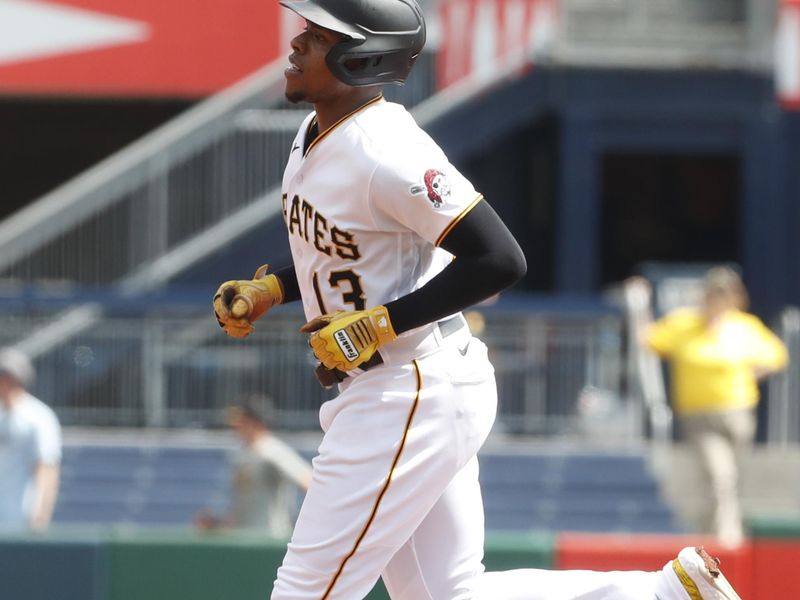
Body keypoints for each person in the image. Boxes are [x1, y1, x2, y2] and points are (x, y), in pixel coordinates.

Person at [212, 1, 742, 597]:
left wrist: (380, 325)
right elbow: (347, 251)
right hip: (411, 386)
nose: (296, 43)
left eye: (316, 34)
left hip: (408, 389)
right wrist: (274, 287)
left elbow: (499, 258)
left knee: (304, 591)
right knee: (453, 594)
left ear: (361, 56)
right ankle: (665, 594)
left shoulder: (388, 150)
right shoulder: (317, 131)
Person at [632, 267, 788, 548]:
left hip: (738, 412)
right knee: (720, 475)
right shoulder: (683, 323)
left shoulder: (745, 326)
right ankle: (727, 540)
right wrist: (639, 304)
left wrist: (753, 373)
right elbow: (648, 339)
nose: (718, 299)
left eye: (725, 294)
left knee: (730, 479)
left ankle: (709, 534)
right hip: (700, 415)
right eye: (714, 293)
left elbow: (777, 356)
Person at [196, 402, 312, 538]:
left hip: (270, 538)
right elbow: (242, 504)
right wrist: (218, 525)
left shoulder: (271, 450)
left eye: (242, 421)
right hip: (244, 538)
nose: (236, 427)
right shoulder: (241, 454)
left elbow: (308, 481)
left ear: (255, 422)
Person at [0, 347, 61, 531]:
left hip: (20, 521)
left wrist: (41, 516)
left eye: (6, 375)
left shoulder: (39, 416)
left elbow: (47, 468)